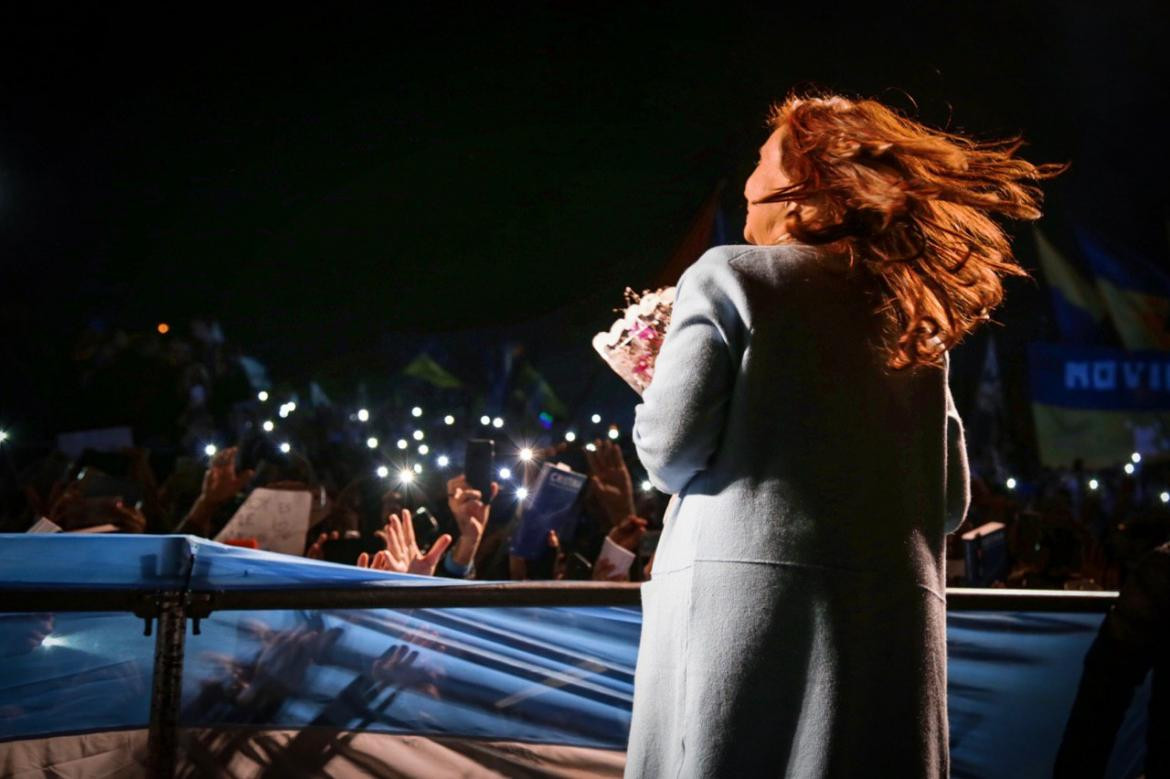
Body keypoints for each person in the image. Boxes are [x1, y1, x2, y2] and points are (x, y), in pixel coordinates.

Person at [624, 91, 1064, 778]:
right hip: (886, 626)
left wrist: (659, 382)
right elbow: (947, 502)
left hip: (741, 625)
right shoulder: (910, 314)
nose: (746, 183)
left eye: (762, 164)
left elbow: (670, 451)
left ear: (806, 189)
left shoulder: (728, 275)